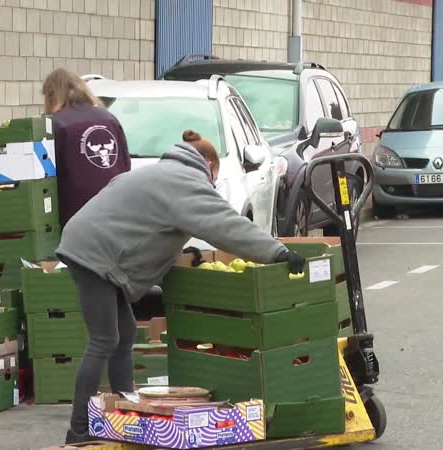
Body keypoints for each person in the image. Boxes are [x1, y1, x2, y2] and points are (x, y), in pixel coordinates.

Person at [56, 130, 307, 444]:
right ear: (209, 163)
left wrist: (181, 254)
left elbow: (149, 227)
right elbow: (225, 225)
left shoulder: (163, 172)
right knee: (104, 339)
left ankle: (122, 415)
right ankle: (79, 429)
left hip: (91, 246)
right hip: (96, 255)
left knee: (125, 333)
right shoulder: (185, 181)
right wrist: (276, 251)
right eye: (214, 175)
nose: (213, 183)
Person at [43, 68, 132, 226]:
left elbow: (47, 175)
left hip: (77, 216)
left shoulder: (55, 124)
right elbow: (125, 164)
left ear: (51, 95)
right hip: (116, 210)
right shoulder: (109, 118)